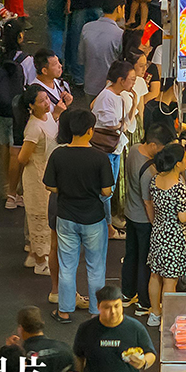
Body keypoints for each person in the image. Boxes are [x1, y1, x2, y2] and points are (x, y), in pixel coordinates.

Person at [44, 109, 114, 322]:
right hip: (93, 218)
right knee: (95, 267)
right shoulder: (99, 157)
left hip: (66, 216)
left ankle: (64, 311)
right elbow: (106, 191)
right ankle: (96, 312)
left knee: (67, 265)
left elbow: (50, 186)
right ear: (90, 131)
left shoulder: (59, 154)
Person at [123, 122, 175, 315]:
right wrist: (156, 224)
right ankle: (144, 304)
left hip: (130, 214)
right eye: (162, 148)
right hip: (143, 220)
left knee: (131, 256)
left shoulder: (135, 149)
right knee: (146, 262)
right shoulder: (149, 172)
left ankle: (127, 294)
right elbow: (148, 203)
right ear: (154, 145)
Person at [0, 18, 36, 208]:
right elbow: (30, 85)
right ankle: (14, 193)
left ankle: (7, 184)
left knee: (4, 146)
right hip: (17, 111)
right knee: (17, 150)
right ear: (20, 37)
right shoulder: (26, 60)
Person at [146, 143, 186, 325]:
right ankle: (168, 317)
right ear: (177, 164)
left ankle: (155, 314)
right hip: (174, 235)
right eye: (185, 158)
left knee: (155, 275)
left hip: (158, 232)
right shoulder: (179, 186)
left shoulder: (155, 179)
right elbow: (183, 217)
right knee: (170, 280)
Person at [18, 85, 60, 278]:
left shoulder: (49, 117)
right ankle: (42, 260)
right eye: (41, 101)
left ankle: (34, 254)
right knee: (39, 214)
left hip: (47, 171)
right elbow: (22, 157)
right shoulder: (33, 128)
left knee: (45, 213)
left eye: (46, 99)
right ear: (31, 106)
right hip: (36, 175)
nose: (46, 103)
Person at [92, 60, 136, 237]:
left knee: (109, 188)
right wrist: (120, 124)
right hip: (106, 149)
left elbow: (123, 123)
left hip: (114, 148)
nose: (134, 82)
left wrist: (134, 102)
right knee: (106, 189)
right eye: (131, 79)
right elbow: (111, 123)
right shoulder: (107, 97)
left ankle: (105, 224)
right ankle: (106, 226)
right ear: (120, 79)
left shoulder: (119, 96)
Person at [80, 0, 126, 102]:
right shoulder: (120, 34)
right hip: (110, 89)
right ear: (118, 8)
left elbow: (81, 58)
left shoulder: (87, 28)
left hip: (90, 86)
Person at [31, 49, 74, 115]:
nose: (60, 66)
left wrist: (67, 103)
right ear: (44, 71)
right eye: (55, 64)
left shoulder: (59, 83)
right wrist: (56, 114)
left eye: (59, 62)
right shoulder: (35, 93)